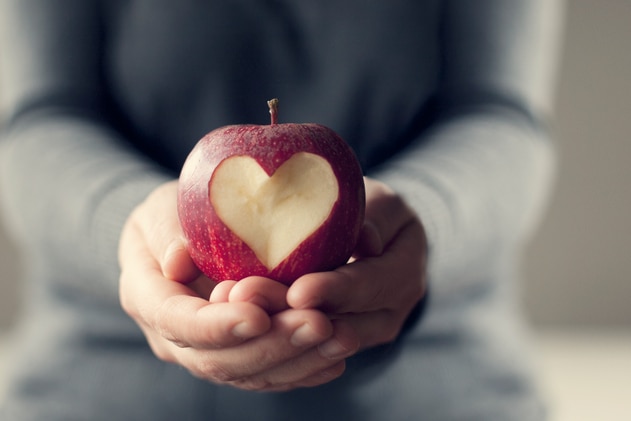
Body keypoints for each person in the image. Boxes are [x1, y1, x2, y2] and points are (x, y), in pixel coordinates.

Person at [0, 1, 564, 420]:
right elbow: (42, 121)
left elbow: (497, 116)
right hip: (103, 393)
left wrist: (417, 225)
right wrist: (131, 232)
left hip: (436, 392)